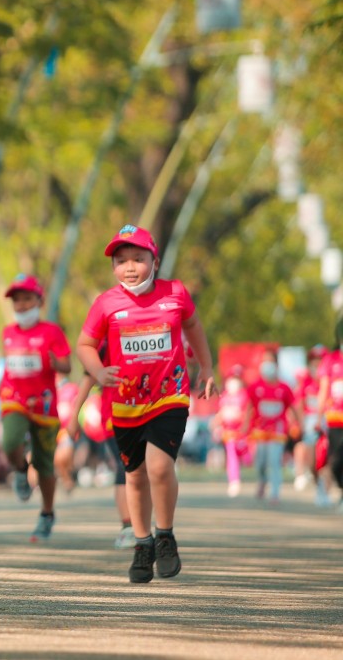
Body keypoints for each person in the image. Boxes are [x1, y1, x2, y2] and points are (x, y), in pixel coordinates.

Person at [77, 224, 217, 584]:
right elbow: (85, 345)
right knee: (135, 475)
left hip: (169, 396)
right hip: (124, 403)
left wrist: (207, 367)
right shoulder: (106, 303)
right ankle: (143, 543)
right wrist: (98, 370)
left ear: (154, 259)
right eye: (121, 261)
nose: (129, 267)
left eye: (137, 258)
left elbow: (194, 326)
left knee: (158, 466)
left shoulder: (176, 293)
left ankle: (166, 535)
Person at [0, 274, 71, 543]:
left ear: (39, 301)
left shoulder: (52, 332)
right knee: (9, 440)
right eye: (17, 301)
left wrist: (54, 363)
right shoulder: (8, 332)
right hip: (15, 399)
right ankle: (21, 471)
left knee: (45, 464)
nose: (22, 305)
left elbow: (67, 366)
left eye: (27, 299)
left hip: (45, 406)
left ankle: (47, 513)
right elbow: (10, 367)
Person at [66, 343, 134, 549]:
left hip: (147, 411)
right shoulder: (107, 340)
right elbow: (89, 376)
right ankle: (128, 527)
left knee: (145, 469)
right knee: (126, 466)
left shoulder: (152, 326)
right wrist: (74, 415)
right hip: (115, 415)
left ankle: (149, 526)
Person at [243, 349, 301, 505]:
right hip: (260, 431)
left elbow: (293, 407)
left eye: (270, 361)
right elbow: (249, 407)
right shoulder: (256, 386)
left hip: (278, 431)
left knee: (274, 461)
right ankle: (262, 480)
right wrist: (245, 425)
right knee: (261, 461)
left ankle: (275, 492)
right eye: (264, 361)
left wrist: (298, 424)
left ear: (276, 364)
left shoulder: (284, 387)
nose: (266, 365)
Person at [211, 365, 250, 498]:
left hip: (242, 433)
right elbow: (221, 413)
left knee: (245, 457)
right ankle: (234, 481)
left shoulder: (245, 395)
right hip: (229, 432)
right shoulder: (224, 396)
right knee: (231, 455)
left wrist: (245, 428)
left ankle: (244, 471)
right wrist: (215, 425)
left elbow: (248, 413)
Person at [293, 345, 326, 500]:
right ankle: (312, 477)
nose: (317, 364)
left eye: (320, 360)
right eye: (314, 360)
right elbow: (298, 402)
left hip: (331, 420)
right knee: (311, 454)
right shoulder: (304, 380)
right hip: (310, 421)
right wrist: (300, 422)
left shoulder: (333, 379)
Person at [316, 318, 343, 511]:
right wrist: (318, 416)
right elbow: (324, 389)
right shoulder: (330, 360)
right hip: (335, 418)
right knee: (335, 458)